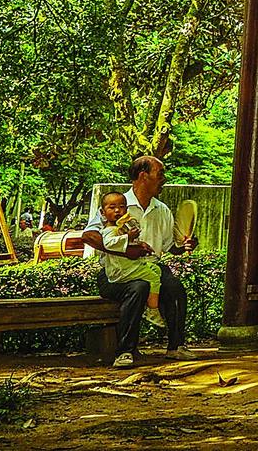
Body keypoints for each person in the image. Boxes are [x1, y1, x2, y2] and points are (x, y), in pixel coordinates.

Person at [82, 155, 196, 368]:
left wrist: (185, 246)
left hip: (150, 266)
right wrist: (126, 250)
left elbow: (170, 247)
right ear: (143, 176)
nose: (164, 179)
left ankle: (176, 346)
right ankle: (125, 351)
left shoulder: (162, 210)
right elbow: (88, 236)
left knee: (175, 288)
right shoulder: (116, 206)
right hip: (116, 270)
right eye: (160, 174)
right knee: (139, 288)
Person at [96, 192, 164, 327]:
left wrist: (139, 244)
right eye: (112, 207)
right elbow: (109, 244)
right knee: (154, 278)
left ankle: (149, 302)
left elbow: (128, 245)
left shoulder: (119, 228)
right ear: (103, 213)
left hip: (129, 267)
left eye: (121, 207)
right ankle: (152, 310)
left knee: (156, 269)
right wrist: (128, 237)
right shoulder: (109, 230)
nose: (117, 210)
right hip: (121, 271)